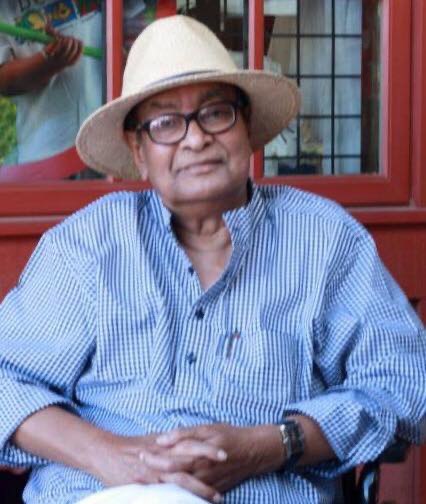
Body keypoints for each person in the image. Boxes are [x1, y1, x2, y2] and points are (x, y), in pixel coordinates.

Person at [0, 14, 424, 504]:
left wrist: (272, 444)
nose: (196, 138)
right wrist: (113, 455)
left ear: (247, 128)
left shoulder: (325, 239)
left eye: (216, 113)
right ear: (138, 151)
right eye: (165, 123)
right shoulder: (90, 243)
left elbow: (406, 384)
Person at [0, 0, 102, 165]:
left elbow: (134, 28)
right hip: (49, 152)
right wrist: (47, 63)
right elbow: (4, 81)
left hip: (114, 134)